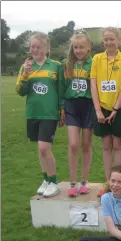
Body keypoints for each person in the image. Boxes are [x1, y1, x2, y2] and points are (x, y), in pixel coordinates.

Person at [16, 31, 62, 198]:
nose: (34, 50)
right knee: (40, 148)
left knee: (44, 147)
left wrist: (62, 110)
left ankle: (54, 182)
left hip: (49, 114)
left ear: (45, 48)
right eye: (32, 47)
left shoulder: (55, 66)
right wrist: (26, 75)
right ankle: (45, 179)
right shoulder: (26, 67)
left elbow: (61, 90)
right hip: (32, 113)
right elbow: (20, 91)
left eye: (37, 46)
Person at [90, 27, 121, 196]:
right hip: (101, 108)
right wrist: (98, 110)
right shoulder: (97, 59)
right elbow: (93, 85)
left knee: (118, 145)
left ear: (118, 41)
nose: (108, 42)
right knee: (106, 146)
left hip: (120, 107)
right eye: (106, 39)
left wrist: (116, 108)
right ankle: (108, 183)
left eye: (112, 39)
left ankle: (119, 182)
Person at [59, 30, 94, 197]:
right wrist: (61, 108)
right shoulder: (66, 64)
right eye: (75, 47)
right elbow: (62, 88)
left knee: (86, 144)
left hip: (88, 106)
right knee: (73, 144)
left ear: (88, 48)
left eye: (81, 47)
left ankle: (84, 181)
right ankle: (72, 182)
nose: (78, 50)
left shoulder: (93, 63)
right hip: (71, 106)